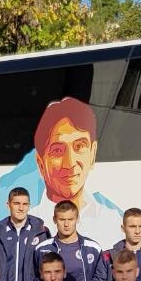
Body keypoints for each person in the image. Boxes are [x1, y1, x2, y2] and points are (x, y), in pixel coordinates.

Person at [28, 97, 122, 246]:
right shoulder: (29, 225)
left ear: (92, 154)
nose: (70, 163)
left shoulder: (111, 221)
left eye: (79, 147)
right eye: (58, 150)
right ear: (41, 163)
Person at [0, 187, 50, 281]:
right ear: (8, 205)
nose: (21, 208)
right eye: (17, 203)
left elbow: (47, 267)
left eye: (25, 204)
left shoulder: (41, 233)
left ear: (29, 205)